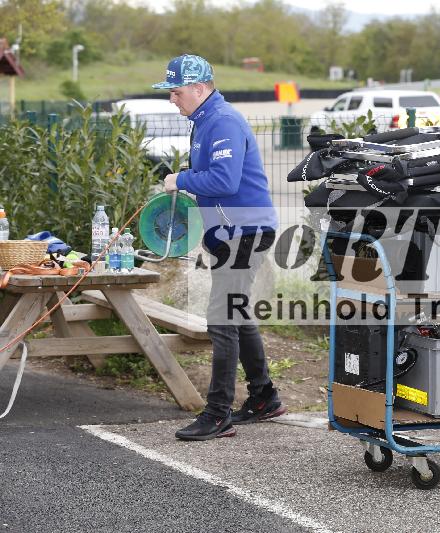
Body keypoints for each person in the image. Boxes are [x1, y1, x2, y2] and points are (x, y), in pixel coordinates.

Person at [152, 54, 287, 440]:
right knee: (237, 314)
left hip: (245, 233)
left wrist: (181, 179)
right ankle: (264, 397)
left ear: (199, 88)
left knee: (221, 318)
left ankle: (217, 413)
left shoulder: (222, 121)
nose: (172, 100)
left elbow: (225, 181)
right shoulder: (205, 119)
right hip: (231, 233)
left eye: (176, 92)